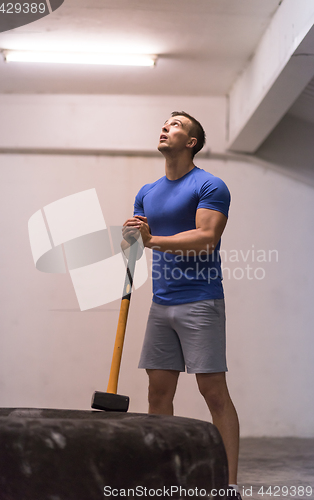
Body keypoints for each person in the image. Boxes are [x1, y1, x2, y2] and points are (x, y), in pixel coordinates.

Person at [122, 111, 241, 500]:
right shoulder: (147, 191)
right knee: (157, 393)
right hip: (162, 302)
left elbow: (206, 236)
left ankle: (227, 485)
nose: (165, 127)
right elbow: (140, 244)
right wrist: (131, 239)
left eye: (175, 125)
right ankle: (164, 479)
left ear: (191, 142)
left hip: (201, 299)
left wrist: (152, 240)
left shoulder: (209, 184)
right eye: (164, 123)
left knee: (213, 392)